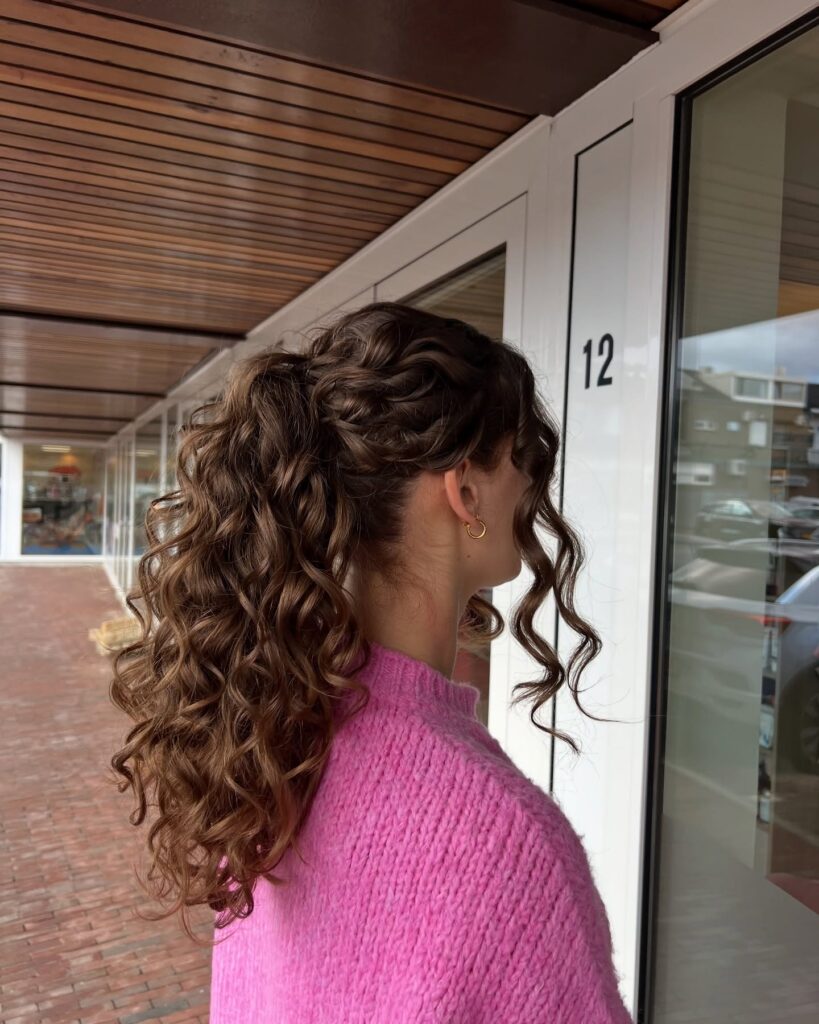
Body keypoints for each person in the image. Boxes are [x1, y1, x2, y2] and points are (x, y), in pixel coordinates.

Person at [109, 302, 633, 1022]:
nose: (530, 488)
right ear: (465, 491)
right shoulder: (508, 847)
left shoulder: (266, 731)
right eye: (520, 459)